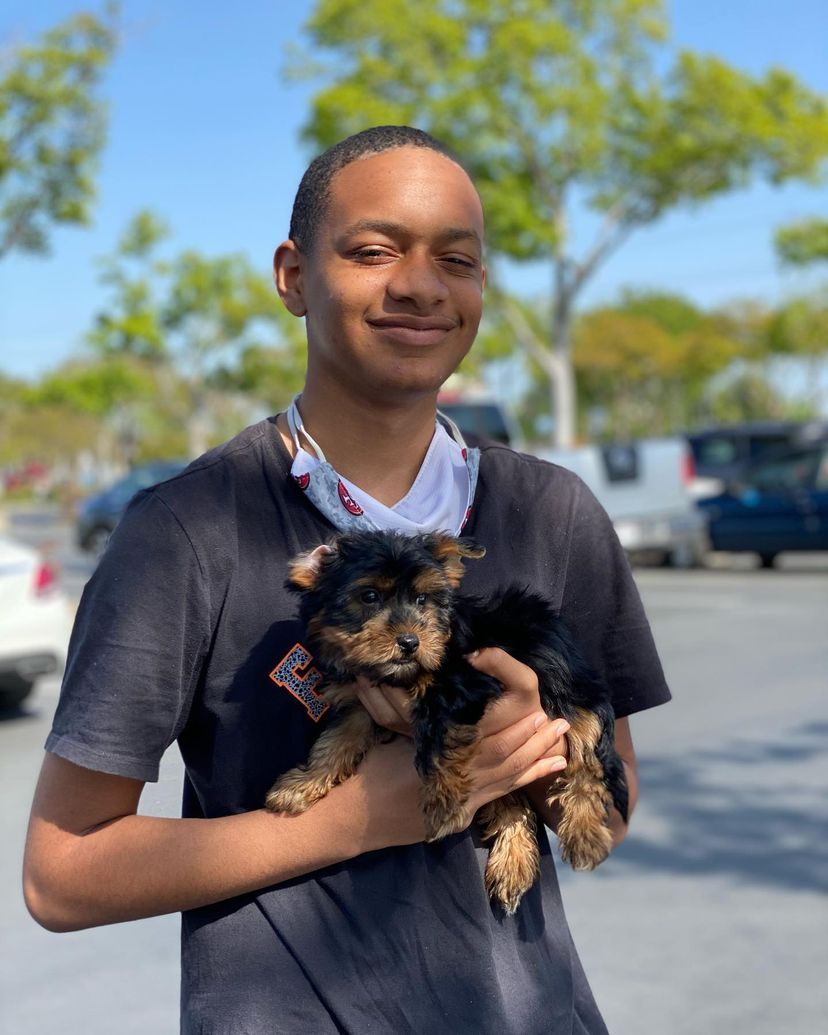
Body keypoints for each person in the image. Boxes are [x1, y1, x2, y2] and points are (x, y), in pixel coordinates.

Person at [24, 125, 671, 1034]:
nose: (420, 284)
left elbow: (614, 802)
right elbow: (62, 873)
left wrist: (535, 751)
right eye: (374, 251)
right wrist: (365, 812)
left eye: (457, 260)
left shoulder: (553, 511)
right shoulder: (185, 530)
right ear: (293, 276)